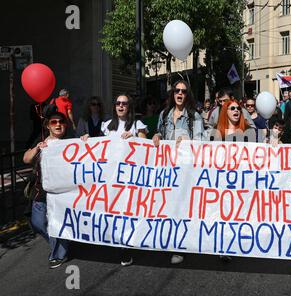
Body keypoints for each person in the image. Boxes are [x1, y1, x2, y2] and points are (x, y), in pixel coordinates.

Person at [84, 94, 147, 266]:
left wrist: (133, 138)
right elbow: (99, 146)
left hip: (130, 177)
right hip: (111, 176)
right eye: (118, 103)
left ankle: (126, 246)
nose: (120, 106)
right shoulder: (106, 126)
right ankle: (120, 244)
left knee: (127, 211)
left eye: (124, 103)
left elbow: (146, 147)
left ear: (129, 107)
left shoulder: (137, 124)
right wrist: (86, 140)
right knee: (114, 211)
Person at [152, 80, 204, 265]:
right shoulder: (164, 114)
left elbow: (200, 141)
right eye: (177, 91)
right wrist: (156, 136)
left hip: (185, 168)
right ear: (172, 94)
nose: (180, 94)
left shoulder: (194, 117)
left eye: (183, 91)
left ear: (187, 94)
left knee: (183, 206)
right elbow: (160, 133)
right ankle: (170, 241)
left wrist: (187, 139)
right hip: (167, 167)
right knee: (169, 205)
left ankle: (180, 246)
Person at [23, 112, 71, 269]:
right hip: (40, 193)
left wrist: (84, 140)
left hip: (61, 195)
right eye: (53, 122)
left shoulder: (72, 143)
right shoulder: (42, 141)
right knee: (38, 223)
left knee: (59, 224)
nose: (58, 124)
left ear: (65, 125)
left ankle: (58, 254)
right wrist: (38, 148)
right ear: (48, 125)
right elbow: (26, 159)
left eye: (61, 122)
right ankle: (58, 244)